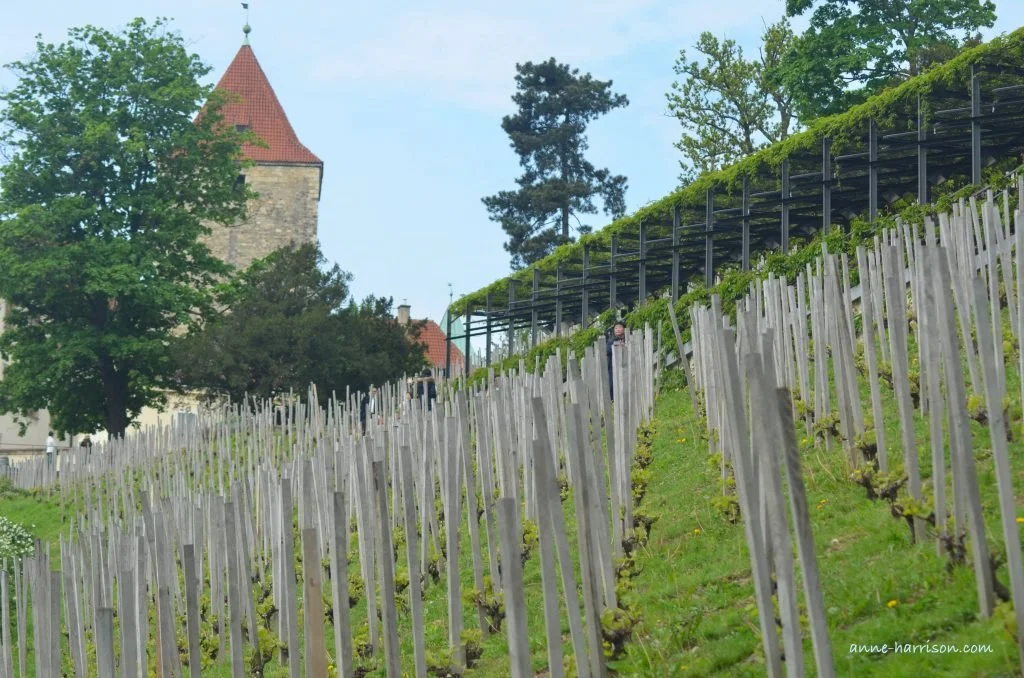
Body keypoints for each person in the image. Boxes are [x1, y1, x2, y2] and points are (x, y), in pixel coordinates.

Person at [606, 321, 626, 401]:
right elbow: (607, 351)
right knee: (612, 385)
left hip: (626, 364)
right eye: (616, 328)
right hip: (613, 367)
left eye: (619, 327)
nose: (617, 329)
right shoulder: (611, 341)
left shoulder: (628, 338)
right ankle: (613, 401)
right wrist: (616, 346)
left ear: (624, 329)